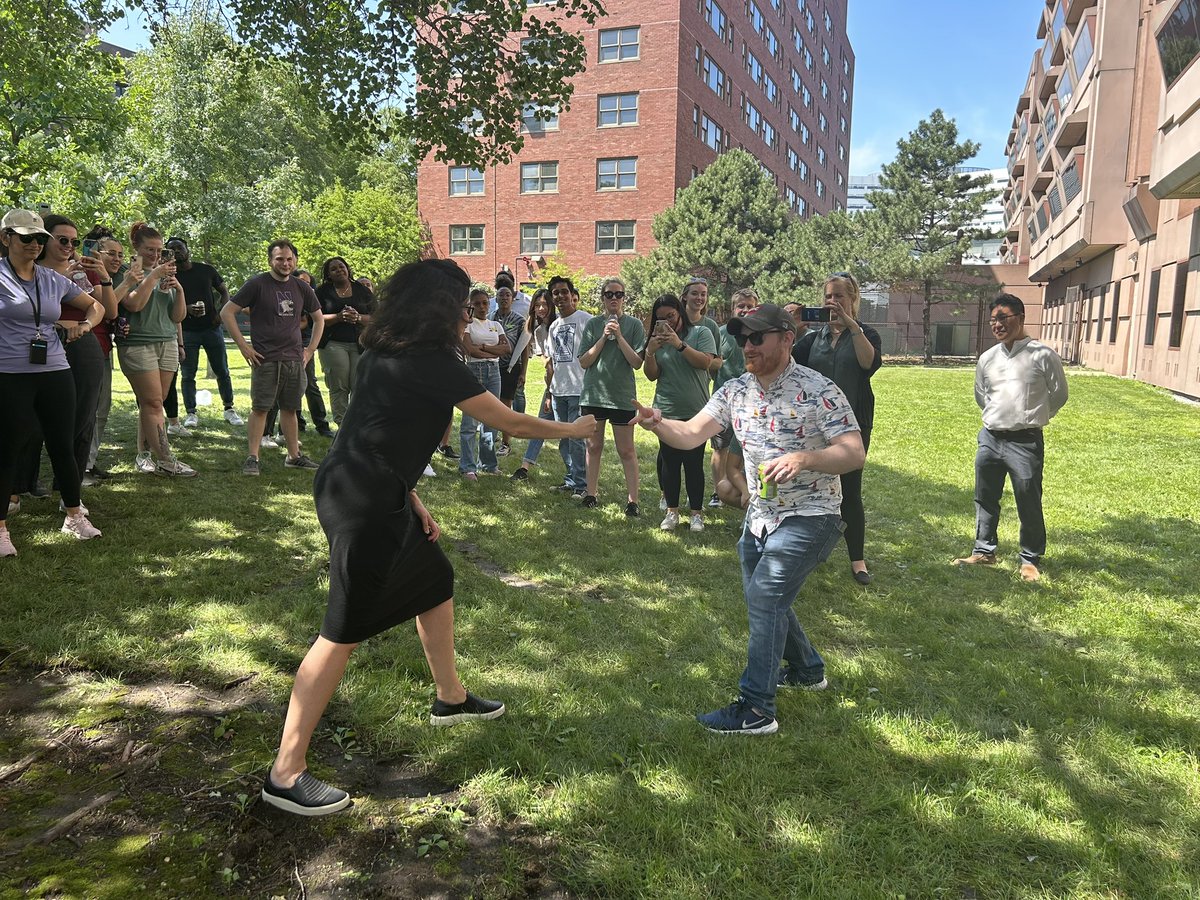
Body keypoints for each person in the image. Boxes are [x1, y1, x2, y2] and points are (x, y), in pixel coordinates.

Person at [260, 258, 595, 815]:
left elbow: (373, 429)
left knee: (435, 579)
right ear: (440, 307)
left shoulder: (382, 349)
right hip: (364, 501)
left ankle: (450, 698)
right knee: (340, 633)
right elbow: (507, 422)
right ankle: (285, 773)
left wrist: (409, 496)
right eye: (462, 304)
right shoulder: (433, 360)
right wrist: (574, 428)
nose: (467, 313)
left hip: (360, 485)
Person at [631, 304, 864, 734]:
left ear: (787, 338)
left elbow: (853, 452)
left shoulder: (819, 390)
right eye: (743, 339)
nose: (748, 346)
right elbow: (691, 433)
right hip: (759, 517)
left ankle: (757, 709)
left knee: (765, 596)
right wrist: (657, 423)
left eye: (757, 337)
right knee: (768, 598)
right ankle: (808, 670)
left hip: (812, 515)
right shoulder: (736, 389)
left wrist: (804, 457)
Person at [0, 209, 104, 557]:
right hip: (10, 374)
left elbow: (95, 307)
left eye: (39, 238)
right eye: (25, 237)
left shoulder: (51, 278)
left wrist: (83, 326)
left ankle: (74, 515)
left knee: (63, 441)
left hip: (54, 370)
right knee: (9, 446)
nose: (33, 244)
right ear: (6, 239)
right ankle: (0, 528)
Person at [953, 293, 1068, 582]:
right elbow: (982, 396)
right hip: (990, 438)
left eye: (1003, 317)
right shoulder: (987, 358)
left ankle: (1029, 559)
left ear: (1021, 317)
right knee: (985, 497)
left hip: (1025, 441)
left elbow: (1059, 395)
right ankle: (984, 551)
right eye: (993, 319)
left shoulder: (1042, 355)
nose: (997, 324)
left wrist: (1034, 416)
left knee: (1028, 497)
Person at [792, 272, 883, 585]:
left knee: (850, 492)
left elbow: (868, 364)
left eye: (839, 297)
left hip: (852, 425)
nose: (832, 302)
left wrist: (851, 325)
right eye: (828, 296)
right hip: (814, 425)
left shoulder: (866, 333)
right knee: (811, 488)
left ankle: (857, 560)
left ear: (852, 299)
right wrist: (794, 328)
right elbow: (787, 364)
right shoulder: (812, 339)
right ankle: (809, 551)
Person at [221, 240, 324, 475]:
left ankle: (293, 456)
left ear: (295, 260)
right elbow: (227, 312)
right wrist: (244, 346)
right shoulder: (257, 284)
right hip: (265, 359)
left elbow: (318, 319)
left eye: (289, 259)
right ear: (270, 260)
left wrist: (309, 350)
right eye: (279, 259)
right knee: (260, 408)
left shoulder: (301, 287)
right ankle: (252, 457)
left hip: (294, 359)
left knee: (290, 408)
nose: (285, 263)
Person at [35, 216, 117, 502]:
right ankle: (23, 484)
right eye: (63, 240)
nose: (70, 246)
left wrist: (104, 278)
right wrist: (62, 283)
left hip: (83, 343)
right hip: (38, 345)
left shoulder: (85, 270)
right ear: (45, 239)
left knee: (83, 417)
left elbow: (108, 311)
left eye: (75, 241)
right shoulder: (29, 270)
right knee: (31, 416)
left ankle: (69, 488)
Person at [120, 223, 197, 477]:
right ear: (136, 248)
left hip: (167, 342)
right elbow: (134, 306)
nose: (155, 255)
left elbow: (177, 316)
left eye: (159, 249)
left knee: (153, 404)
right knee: (152, 402)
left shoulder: (165, 274)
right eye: (149, 249)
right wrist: (152, 276)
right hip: (139, 343)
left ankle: (143, 456)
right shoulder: (129, 272)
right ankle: (166, 459)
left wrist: (180, 289)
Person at [643, 293, 716, 532]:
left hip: (696, 411)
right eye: (660, 318)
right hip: (666, 409)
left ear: (680, 312)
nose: (667, 322)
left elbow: (705, 362)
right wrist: (651, 352)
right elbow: (652, 375)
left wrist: (679, 344)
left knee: (694, 463)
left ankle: (696, 513)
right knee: (670, 462)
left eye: (671, 316)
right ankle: (672, 512)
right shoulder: (657, 339)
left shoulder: (700, 333)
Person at [577, 277, 644, 515]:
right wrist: (604, 336)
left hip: (622, 396)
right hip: (594, 395)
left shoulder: (635, 325)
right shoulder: (594, 325)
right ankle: (591, 494)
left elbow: (636, 362)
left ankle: (632, 501)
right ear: (603, 298)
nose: (614, 299)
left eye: (619, 294)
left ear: (624, 298)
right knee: (593, 446)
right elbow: (584, 361)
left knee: (626, 450)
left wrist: (620, 336)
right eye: (609, 294)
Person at [167, 237, 243, 430]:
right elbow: (168, 302)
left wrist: (220, 313)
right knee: (187, 374)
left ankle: (229, 408)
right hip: (187, 331)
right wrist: (187, 309)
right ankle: (191, 413)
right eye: (171, 250)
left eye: (180, 248)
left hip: (211, 328)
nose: (176, 252)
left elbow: (224, 291)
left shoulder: (206, 270)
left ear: (187, 250)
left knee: (222, 371)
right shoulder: (170, 275)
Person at [711, 288, 760, 509]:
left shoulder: (760, 336)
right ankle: (717, 490)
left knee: (748, 450)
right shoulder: (721, 333)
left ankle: (747, 490)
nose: (745, 310)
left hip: (753, 404)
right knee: (720, 449)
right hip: (725, 404)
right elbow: (713, 367)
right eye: (741, 306)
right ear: (733, 309)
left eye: (750, 306)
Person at [544, 277, 592, 496]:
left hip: (578, 390)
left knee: (576, 440)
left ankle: (583, 485)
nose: (560, 296)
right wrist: (548, 392)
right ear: (552, 298)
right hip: (558, 391)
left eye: (564, 292)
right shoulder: (553, 326)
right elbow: (552, 363)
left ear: (572, 294)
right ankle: (571, 479)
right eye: (555, 293)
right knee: (564, 439)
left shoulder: (586, 320)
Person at [316, 257, 374, 427]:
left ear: (347, 269)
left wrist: (358, 317)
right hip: (332, 344)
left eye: (341, 266)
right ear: (328, 275)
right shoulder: (322, 292)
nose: (339, 270)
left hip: (359, 345)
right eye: (333, 269)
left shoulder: (362, 291)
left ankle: (357, 425)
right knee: (339, 385)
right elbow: (314, 318)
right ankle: (342, 425)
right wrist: (338, 317)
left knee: (358, 386)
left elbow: (376, 317)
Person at [459, 288, 508, 480]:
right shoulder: (468, 325)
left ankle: (488, 463)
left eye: (485, 303)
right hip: (474, 370)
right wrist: (492, 352)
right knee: (470, 421)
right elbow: (470, 350)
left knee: (492, 418)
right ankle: (468, 467)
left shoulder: (496, 324)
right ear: (471, 304)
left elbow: (506, 348)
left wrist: (486, 348)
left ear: (490, 304)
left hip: (494, 372)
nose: (481, 307)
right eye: (477, 303)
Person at [509, 288, 555, 482]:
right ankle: (524, 467)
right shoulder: (538, 330)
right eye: (537, 305)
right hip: (552, 384)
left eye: (545, 304)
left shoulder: (559, 325)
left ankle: (578, 478)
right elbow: (548, 364)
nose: (541, 308)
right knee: (541, 424)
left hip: (569, 386)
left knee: (571, 432)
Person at [491, 284, 527, 455]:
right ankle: (490, 439)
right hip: (491, 366)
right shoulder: (490, 318)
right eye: (500, 295)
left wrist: (523, 372)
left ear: (512, 299)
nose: (504, 298)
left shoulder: (520, 320)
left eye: (507, 295)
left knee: (506, 406)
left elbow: (525, 347)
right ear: (496, 299)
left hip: (510, 368)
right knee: (491, 405)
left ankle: (505, 443)